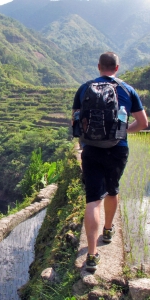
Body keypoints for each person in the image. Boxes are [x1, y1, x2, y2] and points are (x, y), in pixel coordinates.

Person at [72, 52, 148, 272]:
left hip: (90, 150)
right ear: (117, 68)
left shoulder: (84, 88)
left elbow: (76, 122)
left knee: (93, 199)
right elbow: (143, 123)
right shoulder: (127, 90)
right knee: (113, 191)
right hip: (117, 149)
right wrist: (122, 133)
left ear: (98, 67)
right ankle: (108, 230)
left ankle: (92, 254)